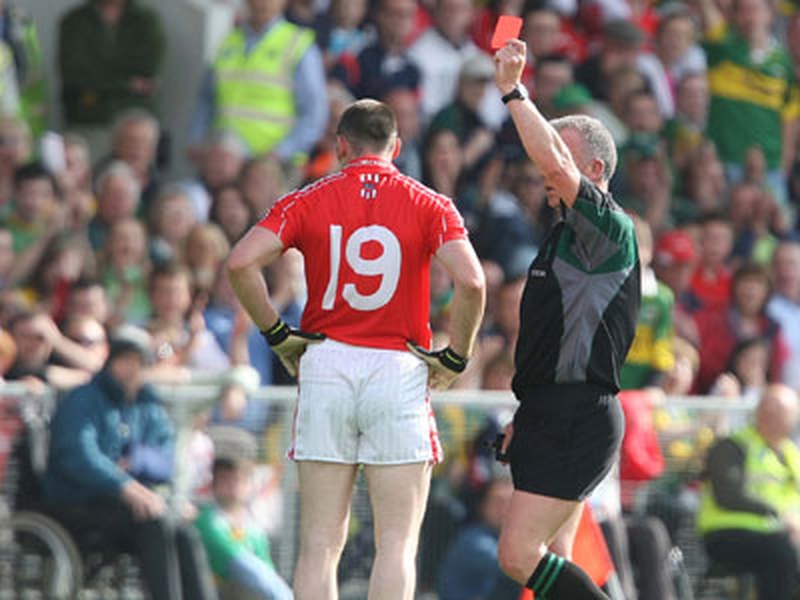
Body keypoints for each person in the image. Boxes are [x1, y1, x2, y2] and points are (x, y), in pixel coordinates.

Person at [227, 98, 486, 600]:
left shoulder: (308, 198)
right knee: (397, 543)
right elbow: (473, 282)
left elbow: (241, 262)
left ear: (341, 146)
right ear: (397, 146)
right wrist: (456, 356)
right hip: (398, 368)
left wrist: (278, 334)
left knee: (319, 544)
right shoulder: (430, 203)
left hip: (326, 364)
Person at [493, 39, 640, 599]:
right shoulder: (562, 236)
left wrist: (512, 91)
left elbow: (551, 158)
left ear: (595, 168)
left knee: (517, 555)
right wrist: (524, 413)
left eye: (560, 151)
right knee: (554, 561)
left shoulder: (609, 228)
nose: (544, 164)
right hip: (549, 413)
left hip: (579, 414)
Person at [42, 327, 217, 600]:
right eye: (123, 358)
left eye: (136, 359)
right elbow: (77, 455)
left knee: (183, 531)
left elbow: (166, 458)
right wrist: (123, 485)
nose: (129, 366)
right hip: (78, 503)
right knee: (155, 523)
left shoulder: (148, 405)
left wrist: (154, 486)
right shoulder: (83, 399)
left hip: (129, 503)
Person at [191, 0, 328, 166]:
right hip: (224, 156)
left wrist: (282, 151)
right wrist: (196, 139)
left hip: (274, 163)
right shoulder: (229, 41)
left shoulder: (297, 43)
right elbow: (206, 98)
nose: (263, 3)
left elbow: (314, 111)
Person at [697, 384, 800, 599]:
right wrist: (781, 516)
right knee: (780, 553)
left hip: (782, 536)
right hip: (728, 534)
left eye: (778, 409)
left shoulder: (792, 455)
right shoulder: (733, 445)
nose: (770, 414)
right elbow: (729, 496)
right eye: (766, 406)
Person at [195, 451, 293, 600]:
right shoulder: (206, 521)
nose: (230, 485)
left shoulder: (255, 528)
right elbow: (241, 565)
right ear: (213, 484)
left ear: (248, 485)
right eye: (224, 479)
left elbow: (267, 571)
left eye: (236, 479)